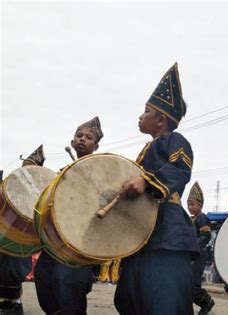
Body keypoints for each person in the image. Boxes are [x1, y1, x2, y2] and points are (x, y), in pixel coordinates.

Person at [114, 63, 199, 315]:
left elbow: (181, 169)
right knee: (131, 298)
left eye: (146, 111)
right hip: (142, 235)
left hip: (167, 233)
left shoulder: (175, 140)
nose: (140, 116)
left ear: (161, 119)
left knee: (164, 300)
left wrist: (146, 182)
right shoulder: (145, 150)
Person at [34, 117, 103, 315]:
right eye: (79, 136)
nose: (82, 139)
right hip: (56, 239)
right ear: (72, 142)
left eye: (88, 137)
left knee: (68, 285)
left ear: (96, 146)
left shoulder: (102, 170)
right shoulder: (62, 172)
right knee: (43, 278)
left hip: (81, 242)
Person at [0, 145, 45, 315]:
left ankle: (15, 303)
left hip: (23, 236)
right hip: (6, 231)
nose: (26, 168)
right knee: (3, 270)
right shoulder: (11, 184)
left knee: (13, 271)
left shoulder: (41, 189)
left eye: (30, 166)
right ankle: (6, 304)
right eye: (24, 165)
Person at [187, 181, 215, 315]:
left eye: (192, 204)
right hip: (192, 256)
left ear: (200, 205)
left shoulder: (202, 218)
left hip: (198, 255)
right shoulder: (192, 219)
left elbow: (206, 236)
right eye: (188, 204)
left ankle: (207, 303)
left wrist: (193, 249)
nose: (190, 207)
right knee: (188, 284)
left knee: (194, 285)